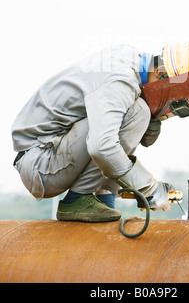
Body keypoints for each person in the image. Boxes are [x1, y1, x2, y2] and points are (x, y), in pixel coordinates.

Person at [12, 45, 173, 222]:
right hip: (42, 163)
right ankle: (77, 199)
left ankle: (103, 198)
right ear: (160, 71)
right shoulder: (122, 78)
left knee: (132, 114)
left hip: (48, 152)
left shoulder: (133, 62)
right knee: (137, 113)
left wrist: (155, 117)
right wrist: (151, 189)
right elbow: (102, 147)